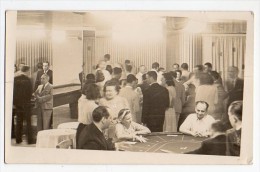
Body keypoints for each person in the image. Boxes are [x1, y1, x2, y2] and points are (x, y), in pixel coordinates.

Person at [13, 65, 34, 144]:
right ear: (27, 71)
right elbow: (30, 93)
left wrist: (15, 103)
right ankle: (30, 140)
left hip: (18, 105)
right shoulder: (28, 80)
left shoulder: (15, 79)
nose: (29, 72)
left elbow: (13, 93)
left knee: (19, 122)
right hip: (26, 104)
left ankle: (18, 139)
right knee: (28, 122)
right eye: (29, 71)